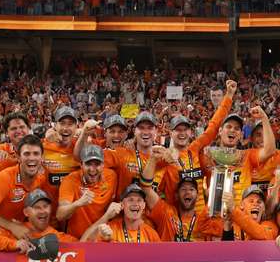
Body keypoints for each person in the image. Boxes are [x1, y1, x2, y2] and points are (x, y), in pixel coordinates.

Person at [158, 79, 236, 217]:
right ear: (170, 133)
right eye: (178, 130)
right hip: (176, 222)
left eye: (185, 130)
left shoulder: (195, 148)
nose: (182, 133)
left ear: (191, 132)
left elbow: (214, 125)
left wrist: (228, 96)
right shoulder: (163, 157)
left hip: (200, 219)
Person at [0, 134, 57, 237]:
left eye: (36, 154)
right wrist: (11, 226)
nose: (32, 158)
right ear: (18, 157)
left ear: (42, 157)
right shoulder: (5, 178)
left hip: (20, 232)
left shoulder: (41, 179)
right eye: (27, 154)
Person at [0, 189, 105, 250]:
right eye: (36, 207)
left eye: (46, 206)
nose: (42, 211)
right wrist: (14, 244)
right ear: (26, 212)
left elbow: (84, 249)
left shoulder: (59, 237)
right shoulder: (17, 231)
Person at [57, 145, 119, 239]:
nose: (92, 169)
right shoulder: (70, 180)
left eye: (97, 164)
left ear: (103, 165)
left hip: (100, 238)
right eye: (88, 164)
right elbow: (60, 215)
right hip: (75, 240)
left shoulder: (111, 177)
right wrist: (78, 203)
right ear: (81, 164)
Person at [94, 184, 161, 243]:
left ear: (144, 205)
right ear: (122, 204)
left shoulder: (151, 234)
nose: (135, 204)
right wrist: (106, 241)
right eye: (130, 200)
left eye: (139, 200)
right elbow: (93, 252)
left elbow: (160, 257)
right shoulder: (109, 229)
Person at [42, 106, 81, 187]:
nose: (66, 128)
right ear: (55, 125)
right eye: (62, 123)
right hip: (47, 198)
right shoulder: (41, 146)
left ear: (76, 127)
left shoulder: (82, 147)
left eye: (70, 124)